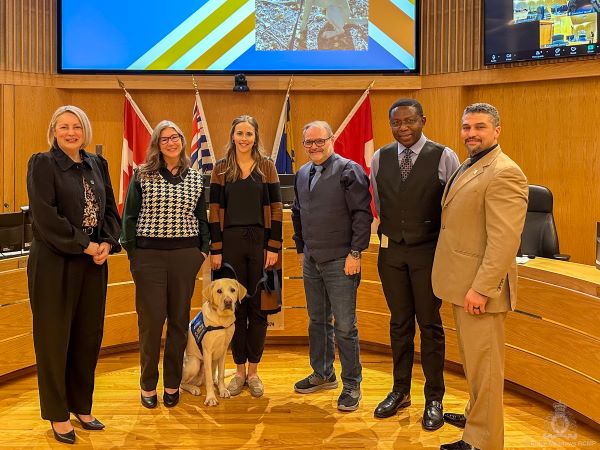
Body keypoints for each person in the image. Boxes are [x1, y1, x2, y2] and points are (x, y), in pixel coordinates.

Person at [432, 103, 528, 450]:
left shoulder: (505, 172)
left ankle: (481, 441)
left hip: (479, 291)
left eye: (480, 127)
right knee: (474, 363)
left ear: (497, 131)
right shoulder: (470, 165)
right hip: (462, 283)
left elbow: (504, 240)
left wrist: (481, 289)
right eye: (466, 127)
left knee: (485, 368)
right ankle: (477, 415)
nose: (471, 133)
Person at [27, 105, 121, 444]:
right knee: (54, 339)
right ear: (54, 130)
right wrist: (85, 245)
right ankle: (57, 414)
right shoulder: (42, 163)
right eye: (64, 127)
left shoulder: (98, 163)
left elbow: (110, 208)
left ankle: (82, 406)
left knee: (87, 336)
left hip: (94, 262)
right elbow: (45, 216)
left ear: (85, 131)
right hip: (55, 262)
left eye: (76, 126)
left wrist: (107, 243)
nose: (71, 132)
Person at [370, 98, 460, 428]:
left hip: (429, 253)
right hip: (392, 253)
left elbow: (455, 204)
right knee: (399, 324)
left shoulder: (444, 155)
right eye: (397, 123)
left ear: (423, 120)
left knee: (430, 325)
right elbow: (380, 203)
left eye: (410, 121)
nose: (403, 128)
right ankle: (400, 391)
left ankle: (434, 397)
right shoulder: (380, 157)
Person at [120, 120, 209, 409]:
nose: (171, 142)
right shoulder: (142, 175)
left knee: (179, 323)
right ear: (157, 144)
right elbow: (129, 218)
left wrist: (201, 252)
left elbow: (201, 218)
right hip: (149, 258)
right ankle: (148, 385)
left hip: (185, 256)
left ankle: (173, 383)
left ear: (183, 141)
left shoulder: (196, 177)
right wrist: (135, 256)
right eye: (165, 138)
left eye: (176, 137)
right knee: (151, 323)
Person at [292, 120, 372, 411]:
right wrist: (301, 249)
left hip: (342, 260)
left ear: (332, 139)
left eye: (319, 141)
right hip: (312, 260)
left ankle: (352, 384)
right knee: (317, 321)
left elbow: (362, 215)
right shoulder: (302, 173)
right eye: (308, 143)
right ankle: (324, 373)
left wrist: (356, 253)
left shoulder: (350, 170)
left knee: (346, 327)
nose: (314, 147)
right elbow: (298, 214)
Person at [208, 115, 282, 398]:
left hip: (262, 246)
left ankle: (253, 372)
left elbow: (276, 208)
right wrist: (216, 249)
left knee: (260, 308)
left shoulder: (267, 167)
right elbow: (214, 211)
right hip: (228, 247)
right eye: (239, 132)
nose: (243, 138)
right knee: (232, 309)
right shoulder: (220, 168)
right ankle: (237, 372)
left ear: (256, 136)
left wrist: (273, 246)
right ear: (232, 135)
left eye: (249, 133)